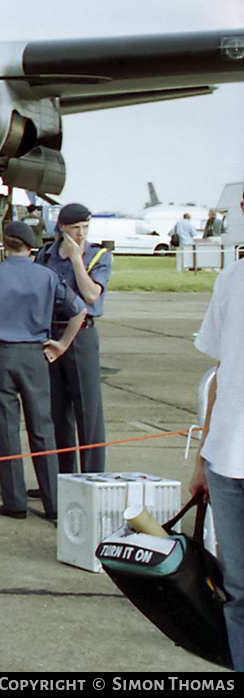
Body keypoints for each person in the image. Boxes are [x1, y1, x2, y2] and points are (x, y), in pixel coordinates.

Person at [0, 220, 85, 520]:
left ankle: (14, 502)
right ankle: (52, 502)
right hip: (35, 356)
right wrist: (62, 344)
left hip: (1, 355)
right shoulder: (47, 276)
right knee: (42, 429)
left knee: (6, 429)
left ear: (5, 244)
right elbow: (79, 310)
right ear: (30, 247)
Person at [190, 192, 244, 670]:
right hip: (228, 461)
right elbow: (222, 375)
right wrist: (202, 458)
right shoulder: (232, 279)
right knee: (238, 593)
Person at [35, 203, 111, 474]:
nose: (81, 233)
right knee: (57, 412)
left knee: (88, 410)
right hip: (51, 333)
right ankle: (63, 477)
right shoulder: (45, 255)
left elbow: (91, 295)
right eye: (76, 228)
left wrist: (77, 260)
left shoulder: (97, 255)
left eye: (85, 227)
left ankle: (92, 475)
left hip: (81, 334)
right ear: (62, 228)